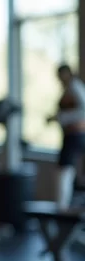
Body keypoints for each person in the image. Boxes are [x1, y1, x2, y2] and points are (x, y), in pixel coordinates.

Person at [46, 64, 85, 208]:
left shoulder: (76, 87)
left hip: (76, 135)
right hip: (70, 135)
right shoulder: (67, 90)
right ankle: (64, 206)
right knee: (67, 171)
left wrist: (62, 117)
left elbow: (83, 111)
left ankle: (61, 208)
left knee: (64, 170)